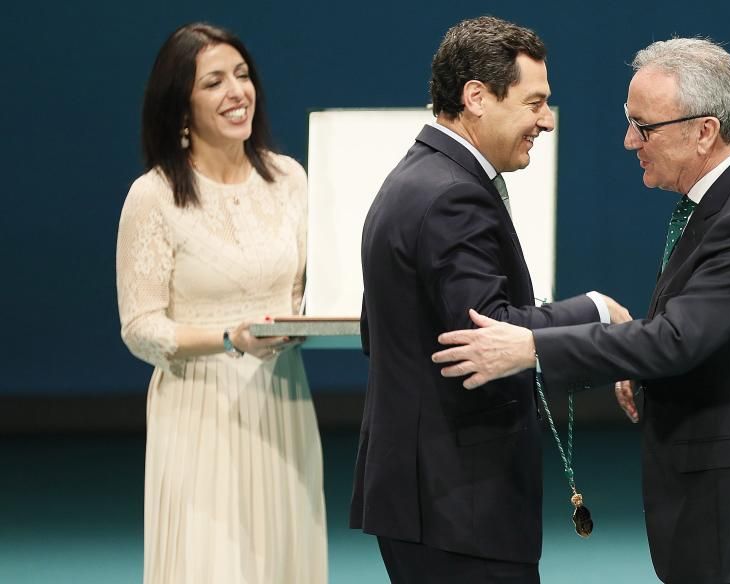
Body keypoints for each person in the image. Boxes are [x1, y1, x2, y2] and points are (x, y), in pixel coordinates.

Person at [432, 38, 730, 584]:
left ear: (704, 130)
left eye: (643, 127)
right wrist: (638, 363)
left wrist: (531, 346)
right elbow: (709, 329)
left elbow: (678, 339)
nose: (628, 141)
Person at [350, 15, 630, 584]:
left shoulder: (419, 178)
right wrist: (599, 311)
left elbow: (375, 333)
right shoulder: (453, 194)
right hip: (458, 506)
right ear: (476, 97)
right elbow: (489, 332)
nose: (546, 121)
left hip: (429, 501)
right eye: (534, 103)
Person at [115, 23, 326, 584]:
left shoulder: (290, 180)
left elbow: (309, 293)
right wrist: (230, 339)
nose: (238, 92)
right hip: (198, 413)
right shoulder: (154, 196)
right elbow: (139, 327)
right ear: (181, 107)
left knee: (284, 561)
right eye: (214, 82)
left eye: (242, 75)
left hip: (283, 402)